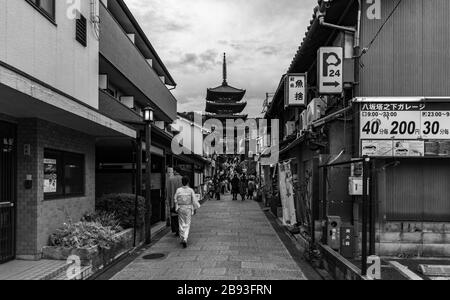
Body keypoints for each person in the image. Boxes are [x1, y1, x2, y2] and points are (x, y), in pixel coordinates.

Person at [174, 176, 201, 248]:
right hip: (188, 208)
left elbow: (175, 199)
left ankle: (182, 237)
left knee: (181, 223)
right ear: (188, 182)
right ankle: (185, 238)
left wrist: (176, 207)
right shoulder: (190, 190)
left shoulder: (178, 190)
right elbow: (194, 200)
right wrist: (195, 208)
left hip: (181, 208)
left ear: (182, 182)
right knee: (187, 223)